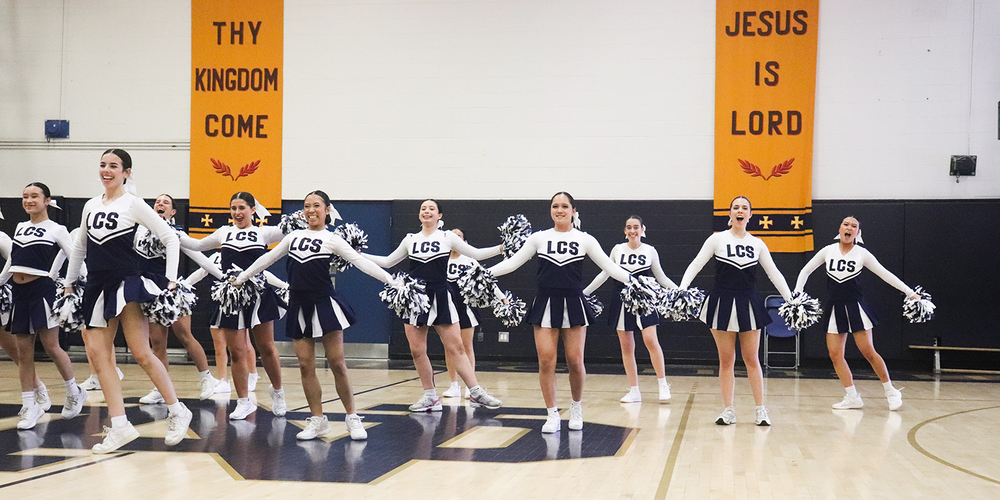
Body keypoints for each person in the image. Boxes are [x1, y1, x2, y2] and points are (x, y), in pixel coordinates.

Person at [236, 190, 395, 441]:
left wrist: (391, 281)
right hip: (299, 304)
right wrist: (243, 277)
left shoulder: (332, 239)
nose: (311, 210)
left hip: (324, 303)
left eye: (317, 205)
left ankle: (352, 417)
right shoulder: (294, 237)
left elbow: (361, 262)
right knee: (304, 365)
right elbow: (267, 258)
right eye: (307, 206)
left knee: (337, 362)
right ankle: (318, 419)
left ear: (327, 209)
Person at [64, 148, 192, 453]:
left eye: (114, 166)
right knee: (97, 355)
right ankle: (120, 425)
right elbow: (80, 246)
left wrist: (172, 279)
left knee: (142, 353)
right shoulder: (91, 205)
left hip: (126, 283)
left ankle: (177, 410)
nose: (107, 170)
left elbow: (170, 237)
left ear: (126, 172)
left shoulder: (134, 204)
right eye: (103, 165)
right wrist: (69, 284)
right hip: (96, 285)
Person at [488, 192, 633, 433]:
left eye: (565, 206)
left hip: (574, 303)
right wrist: (485, 273)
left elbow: (609, 267)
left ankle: (576, 407)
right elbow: (513, 263)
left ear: (574, 211)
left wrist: (635, 282)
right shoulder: (539, 238)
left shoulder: (585, 239)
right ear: (551, 210)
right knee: (546, 360)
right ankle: (552, 414)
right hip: (545, 302)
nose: (560, 210)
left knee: (575, 361)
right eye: (555, 206)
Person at [363, 200, 503, 411]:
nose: (426, 211)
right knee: (417, 350)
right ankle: (430, 396)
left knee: (456, 347)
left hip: (440, 294)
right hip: (415, 296)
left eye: (431, 209)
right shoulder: (410, 239)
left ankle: (476, 392)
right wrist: (355, 254)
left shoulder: (448, 237)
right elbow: (388, 261)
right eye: (423, 209)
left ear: (439, 215)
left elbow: (475, 254)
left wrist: (502, 248)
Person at [677, 196, 792, 426]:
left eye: (745, 208)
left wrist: (790, 299)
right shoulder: (716, 239)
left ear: (751, 215)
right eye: (736, 207)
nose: (740, 211)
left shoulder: (757, 243)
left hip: (748, 303)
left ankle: (760, 409)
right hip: (721, 302)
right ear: (729, 214)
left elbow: (774, 273)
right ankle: (728, 409)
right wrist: (682, 288)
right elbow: (696, 264)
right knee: (726, 360)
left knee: (751, 358)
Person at [178, 192, 286, 420]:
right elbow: (196, 245)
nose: (237, 213)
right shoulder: (223, 233)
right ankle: (244, 401)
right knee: (236, 352)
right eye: (233, 208)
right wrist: (171, 233)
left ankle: (278, 392)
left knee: (266, 348)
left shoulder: (263, 232)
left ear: (252, 210)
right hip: (232, 297)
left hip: (258, 295)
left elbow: (292, 232)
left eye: (242, 208)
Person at [794, 216, 915, 411]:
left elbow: (885, 274)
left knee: (868, 351)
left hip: (856, 307)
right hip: (835, 308)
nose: (849, 228)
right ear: (840, 229)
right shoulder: (828, 251)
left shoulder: (862, 254)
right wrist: (797, 295)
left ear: (858, 233)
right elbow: (805, 271)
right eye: (846, 224)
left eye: (854, 226)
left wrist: (910, 293)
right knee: (835, 355)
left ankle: (891, 391)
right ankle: (852, 396)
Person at [0, 183, 86, 429]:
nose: (29, 200)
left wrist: (74, 283)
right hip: (19, 292)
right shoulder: (20, 227)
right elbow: (13, 261)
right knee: (23, 352)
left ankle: (73, 391)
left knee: (51, 346)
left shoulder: (57, 229)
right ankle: (30, 405)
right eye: (25, 196)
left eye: (34, 196)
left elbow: (75, 256)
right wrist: (1, 281)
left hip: (43, 291)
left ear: (47, 201)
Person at [135, 193, 223, 403]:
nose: (160, 204)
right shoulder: (139, 229)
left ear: (173, 211)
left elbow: (199, 255)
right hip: (149, 290)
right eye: (157, 201)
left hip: (172, 289)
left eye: (165, 202)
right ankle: (160, 388)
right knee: (157, 343)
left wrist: (223, 276)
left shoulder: (175, 234)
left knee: (184, 335)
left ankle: (206, 378)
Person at [583, 215, 675, 404]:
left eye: (636, 227)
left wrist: (680, 291)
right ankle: (634, 390)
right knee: (627, 346)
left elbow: (661, 277)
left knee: (651, 340)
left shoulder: (650, 251)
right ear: (625, 231)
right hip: (621, 299)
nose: (633, 231)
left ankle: (663, 384)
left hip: (644, 300)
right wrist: (585, 292)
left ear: (643, 230)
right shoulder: (617, 250)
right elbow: (605, 273)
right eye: (629, 227)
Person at [442, 228, 483, 400]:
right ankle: (453, 386)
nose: (454, 239)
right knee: (449, 348)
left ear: (464, 241)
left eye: (458, 236)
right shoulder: (441, 260)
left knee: (466, 347)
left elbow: (485, 280)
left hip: (466, 307)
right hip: (447, 307)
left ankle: (470, 385)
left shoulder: (470, 261)